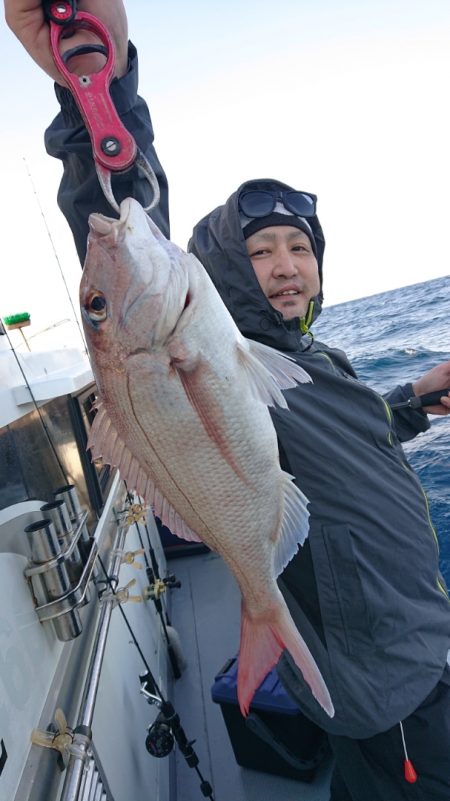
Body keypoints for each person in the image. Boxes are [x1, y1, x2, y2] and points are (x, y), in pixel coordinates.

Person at [5, 2, 450, 799]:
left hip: (421, 639)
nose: (286, 266)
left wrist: (415, 402)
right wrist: (94, 90)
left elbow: (347, 437)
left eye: (300, 247)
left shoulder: (320, 359)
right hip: (386, 689)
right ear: (223, 269)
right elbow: (109, 209)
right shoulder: (221, 344)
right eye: (261, 251)